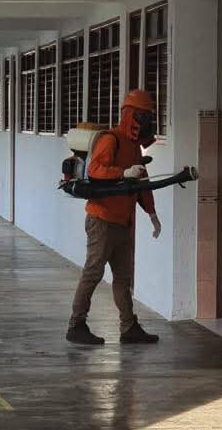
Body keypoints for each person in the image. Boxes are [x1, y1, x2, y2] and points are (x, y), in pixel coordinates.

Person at [66, 89, 162, 345]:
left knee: (123, 278)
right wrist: (123, 172)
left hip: (123, 222)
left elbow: (142, 183)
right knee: (93, 273)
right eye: (143, 116)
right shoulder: (111, 139)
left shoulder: (135, 147)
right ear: (130, 115)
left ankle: (129, 327)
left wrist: (152, 214)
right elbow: (96, 169)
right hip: (102, 219)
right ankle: (76, 325)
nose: (147, 122)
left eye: (149, 117)